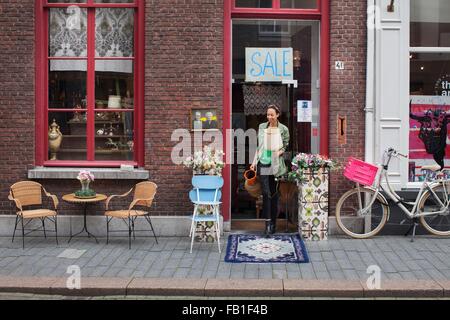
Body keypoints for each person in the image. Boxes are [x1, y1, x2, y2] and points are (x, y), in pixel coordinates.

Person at [250, 105, 290, 237]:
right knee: (266, 193)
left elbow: (285, 146)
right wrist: (254, 162)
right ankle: (267, 225)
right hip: (263, 163)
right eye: (268, 114)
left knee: (273, 193)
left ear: (277, 115)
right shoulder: (262, 127)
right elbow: (259, 146)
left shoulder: (283, 129)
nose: (269, 117)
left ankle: (273, 223)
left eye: (272, 115)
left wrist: (278, 152)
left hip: (275, 164)